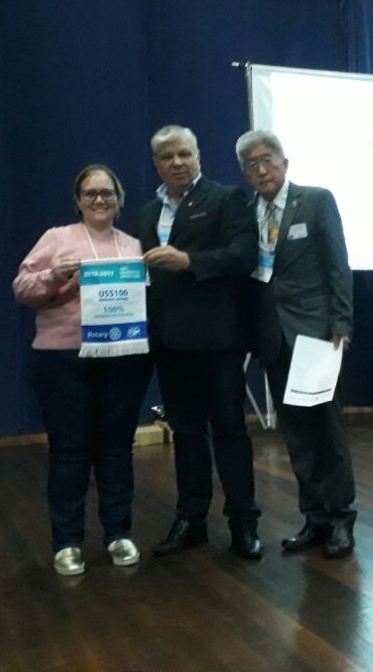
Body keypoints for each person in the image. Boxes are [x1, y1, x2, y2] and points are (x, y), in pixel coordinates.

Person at [13, 165, 153, 576]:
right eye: (90, 193)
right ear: (77, 200)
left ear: (119, 199)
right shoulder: (57, 238)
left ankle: (118, 533)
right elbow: (22, 289)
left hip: (123, 358)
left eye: (107, 193)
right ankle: (67, 541)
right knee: (69, 450)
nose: (99, 200)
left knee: (117, 448)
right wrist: (55, 274)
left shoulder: (133, 246)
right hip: (63, 360)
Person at [140, 125, 263, 559]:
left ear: (198, 156)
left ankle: (244, 523)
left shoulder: (226, 198)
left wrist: (188, 260)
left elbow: (244, 255)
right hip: (169, 343)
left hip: (217, 341)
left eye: (184, 154)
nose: (177, 162)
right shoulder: (147, 212)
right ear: (156, 164)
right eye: (167, 157)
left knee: (229, 432)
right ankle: (191, 520)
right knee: (187, 435)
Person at [236, 129, 357, 558]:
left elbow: (338, 264)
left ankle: (341, 519)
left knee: (327, 429)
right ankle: (315, 517)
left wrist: (341, 320)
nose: (261, 170)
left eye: (267, 160)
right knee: (297, 434)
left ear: (284, 163)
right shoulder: (246, 213)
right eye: (251, 165)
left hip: (317, 333)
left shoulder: (316, 200)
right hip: (273, 337)